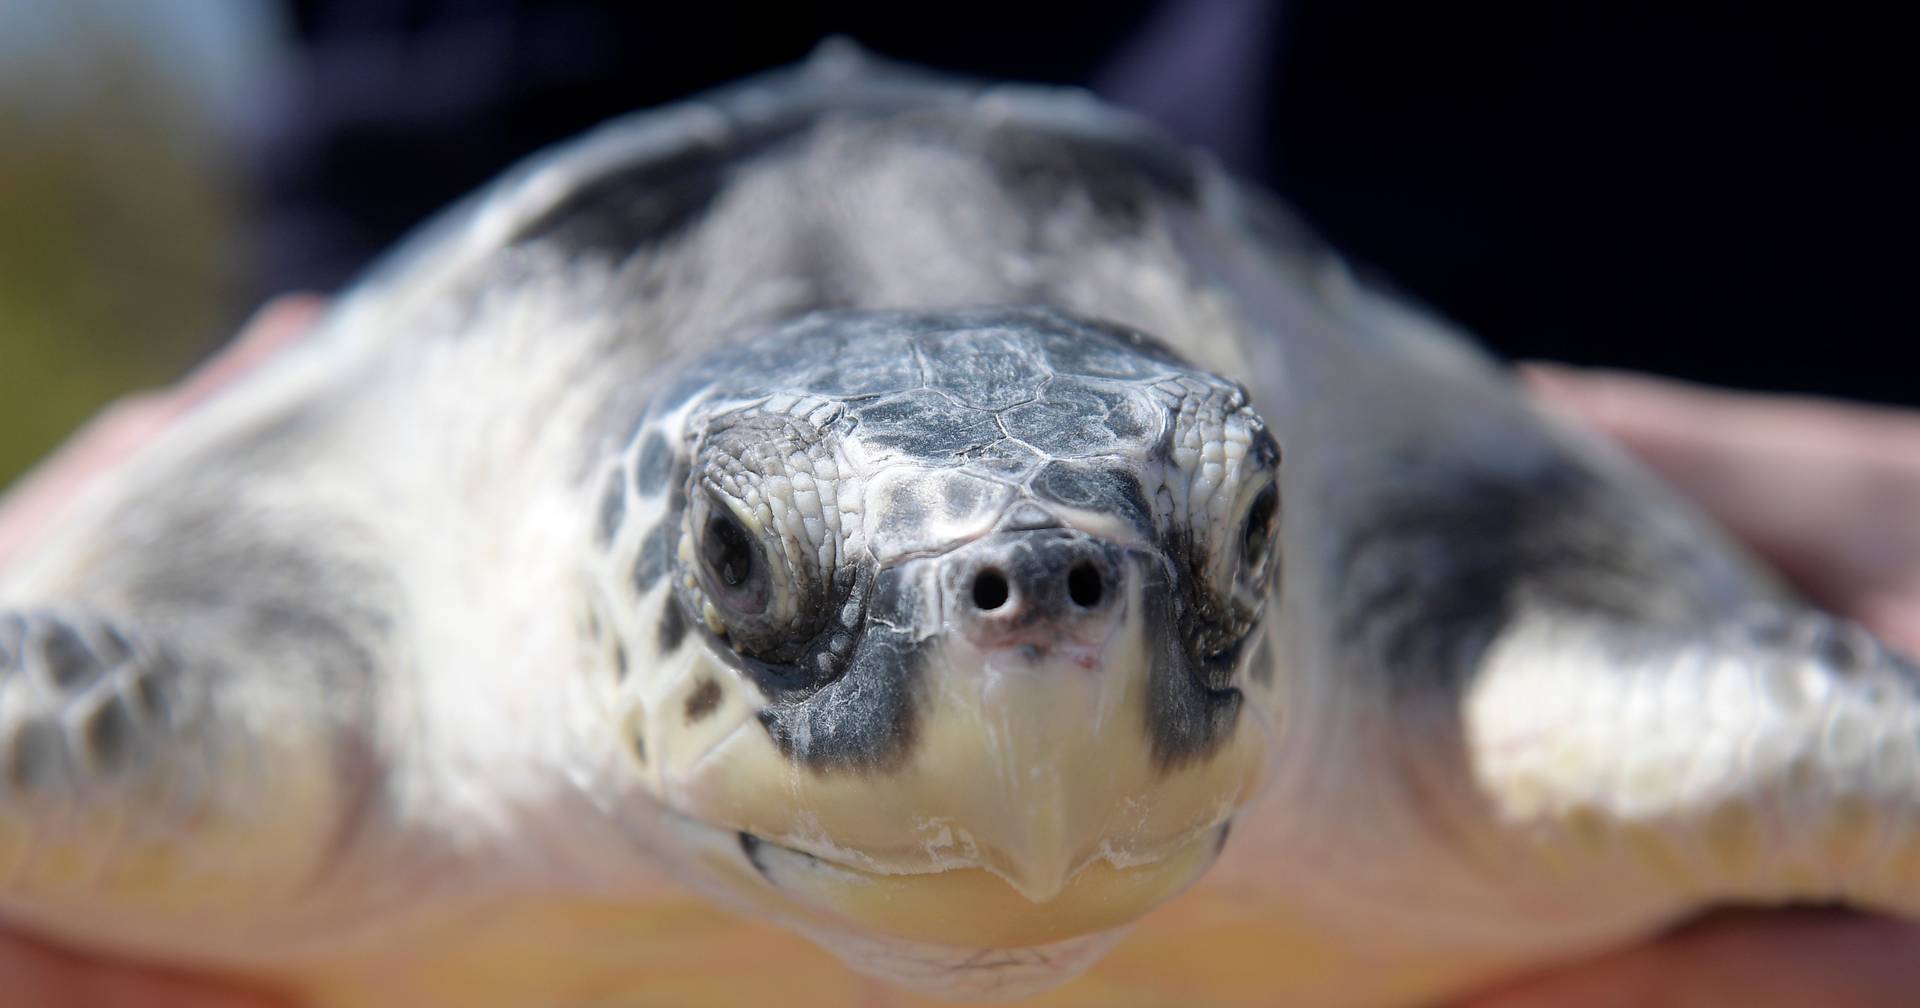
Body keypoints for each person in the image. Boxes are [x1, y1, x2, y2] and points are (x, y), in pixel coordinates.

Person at [3, 300, 1918, 1005]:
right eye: (755, 571)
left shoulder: (1483, 679)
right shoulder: (330, 667)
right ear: (610, 559)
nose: (1034, 661)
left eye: (1211, 561)